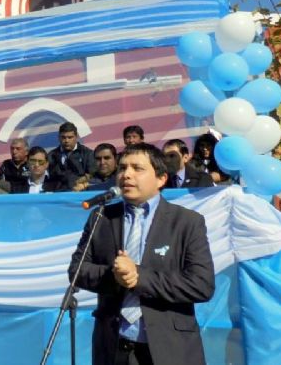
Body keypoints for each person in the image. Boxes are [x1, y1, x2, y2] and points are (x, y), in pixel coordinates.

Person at [68, 143, 215, 365]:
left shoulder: (187, 222)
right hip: (114, 348)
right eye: (123, 168)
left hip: (169, 349)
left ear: (161, 179)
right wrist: (115, 276)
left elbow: (201, 284)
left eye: (138, 168)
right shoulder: (102, 217)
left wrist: (139, 277)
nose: (127, 174)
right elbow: (77, 271)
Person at [48, 122, 97, 191]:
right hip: (57, 195)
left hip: (80, 195)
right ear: (59, 137)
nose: (66, 141)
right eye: (63, 137)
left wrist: (83, 182)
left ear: (76, 137)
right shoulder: (51, 155)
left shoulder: (87, 154)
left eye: (70, 137)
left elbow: (94, 175)